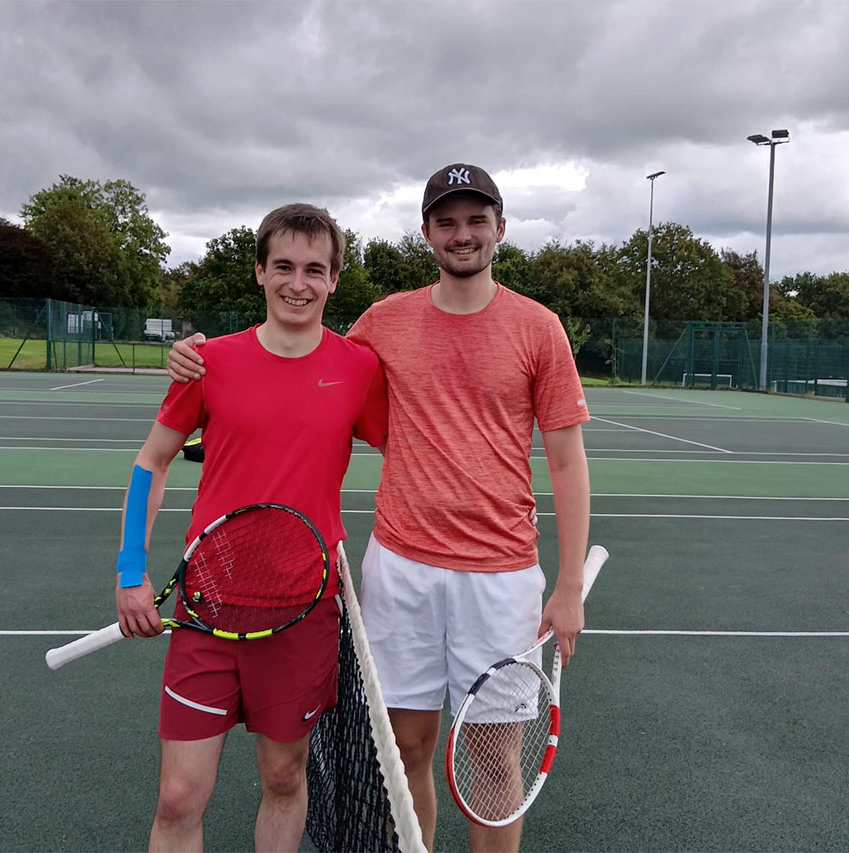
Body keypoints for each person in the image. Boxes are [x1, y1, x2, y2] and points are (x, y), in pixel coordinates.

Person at [167, 164, 592, 853]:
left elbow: (568, 461)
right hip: (401, 570)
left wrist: (569, 583)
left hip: (501, 576)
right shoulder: (385, 321)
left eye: (476, 220)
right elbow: (297, 346)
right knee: (404, 752)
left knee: (492, 763)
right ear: (427, 232)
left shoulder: (538, 328)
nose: (462, 234)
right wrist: (201, 356)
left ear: (500, 228)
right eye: (447, 221)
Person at [116, 203, 387, 853]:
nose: (299, 283)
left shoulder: (359, 369)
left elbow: (413, 452)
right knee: (179, 795)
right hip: (207, 607)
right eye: (284, 266)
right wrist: (130, 569)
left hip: (304, 611)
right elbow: (152, 462)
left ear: (334, 281)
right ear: (260, 272)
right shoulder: (208, 361)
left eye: (315, 270)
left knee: (284, 777)